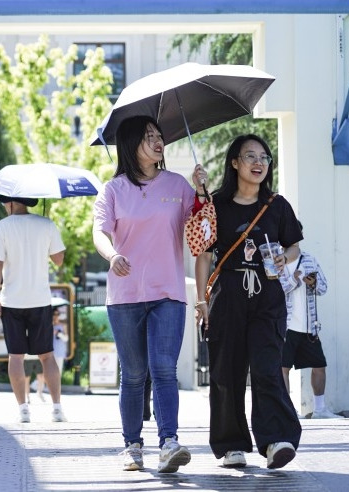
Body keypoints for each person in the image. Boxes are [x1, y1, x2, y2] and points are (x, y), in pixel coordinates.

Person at [92, 114, 207, 473]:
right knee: (134, 373)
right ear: (130, 145)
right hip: (124, 295)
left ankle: (169, 442)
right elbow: (98, 233)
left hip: (168, 292)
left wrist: (202, 191)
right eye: (148, 137)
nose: (158, 142)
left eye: (159, 135)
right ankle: (132, 445)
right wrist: (112, 256)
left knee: (164, 369)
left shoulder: (178, 185)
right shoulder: (113, 190)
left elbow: (202, 229)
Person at [193, 133, 303, 470]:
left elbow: (294, 245)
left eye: (264, 157)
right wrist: (201, 301)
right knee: (227, 372)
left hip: (268, 296)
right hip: (227, 297)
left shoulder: (277, 205)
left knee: (268, 368)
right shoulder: (216, 205)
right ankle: (231, 445)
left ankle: (276, 441)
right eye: (250, 156)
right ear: (235, 163)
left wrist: (286, 257)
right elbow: (201, 253)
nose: (259, 163)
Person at [0, 194, 68, 424]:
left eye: (4, 202)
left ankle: (23, 410)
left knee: (15, 356)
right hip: (40, 299)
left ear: (12, 202)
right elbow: (59, 259)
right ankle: (57, 409)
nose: (3, 206)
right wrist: (45, 237)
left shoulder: (2, 227)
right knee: (47, 356)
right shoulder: (46, 224)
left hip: (12, 300)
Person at [281, 221, 342, 419]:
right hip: (285, 325)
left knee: (319, 366)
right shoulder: (277, 260)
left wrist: (313, 283)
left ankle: (320, 409)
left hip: (309, 325)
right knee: (283, 368)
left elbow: (324, 288)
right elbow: (275, 291)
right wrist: (295, 279)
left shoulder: (309, 259)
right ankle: (288, 410)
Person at [33, 307, 70, 400]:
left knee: (58, 373)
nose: (56, 316)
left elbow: (66, 339)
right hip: (49, 352)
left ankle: (56, 393)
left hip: (60, 352)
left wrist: (58, 333)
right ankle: (38, 389)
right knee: (45, 372)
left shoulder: (63, 325)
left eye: (57, 314)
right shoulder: (47, 325)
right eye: (54, 314)